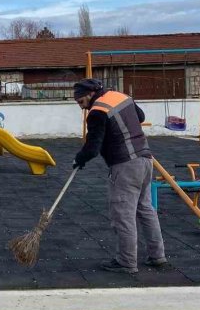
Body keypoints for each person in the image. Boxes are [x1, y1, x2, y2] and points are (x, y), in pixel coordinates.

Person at [72, 78, 167, 274]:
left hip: (125, 166)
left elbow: (92, 148)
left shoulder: (97, 112)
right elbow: (139, 117)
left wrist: (79, 159)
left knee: (123, 215)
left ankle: (126, 261)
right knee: (146, 209)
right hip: (146, 160)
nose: (82, 108)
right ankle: (157, 255)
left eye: (81, 102)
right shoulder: (121, 96)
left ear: (90, 94)